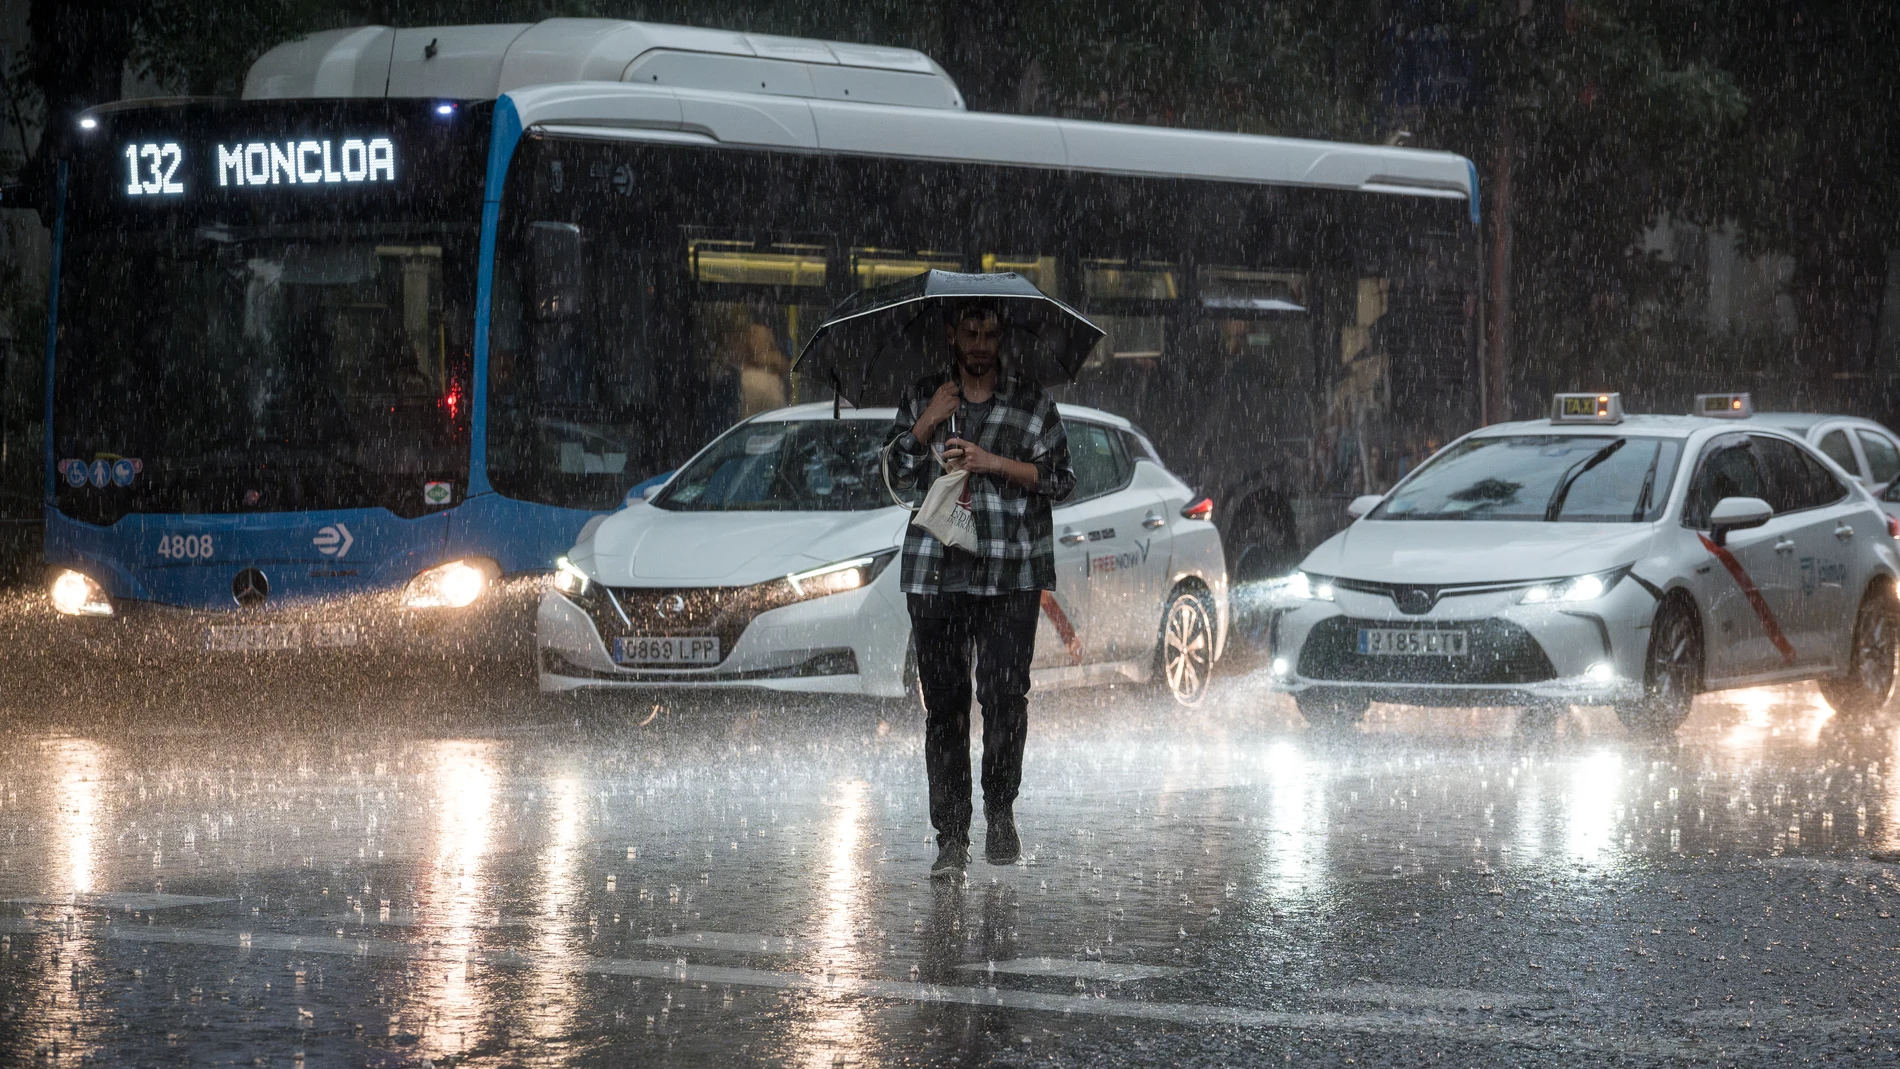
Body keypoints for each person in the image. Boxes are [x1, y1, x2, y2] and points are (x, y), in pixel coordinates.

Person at [889, 300, 1076, 878]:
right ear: (951, 334)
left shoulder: (1031, 402)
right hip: (935, 574)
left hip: (1009, 574)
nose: (979, 343)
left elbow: (1061, 480)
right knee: (944, 710)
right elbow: (894, 481)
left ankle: (999, 809)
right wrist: (924, 426)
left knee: (1003, 699)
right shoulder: (926, 397)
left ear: (1002, 338)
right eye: (969, 332)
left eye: (990, 333)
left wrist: (991, 461)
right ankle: (951, 838)